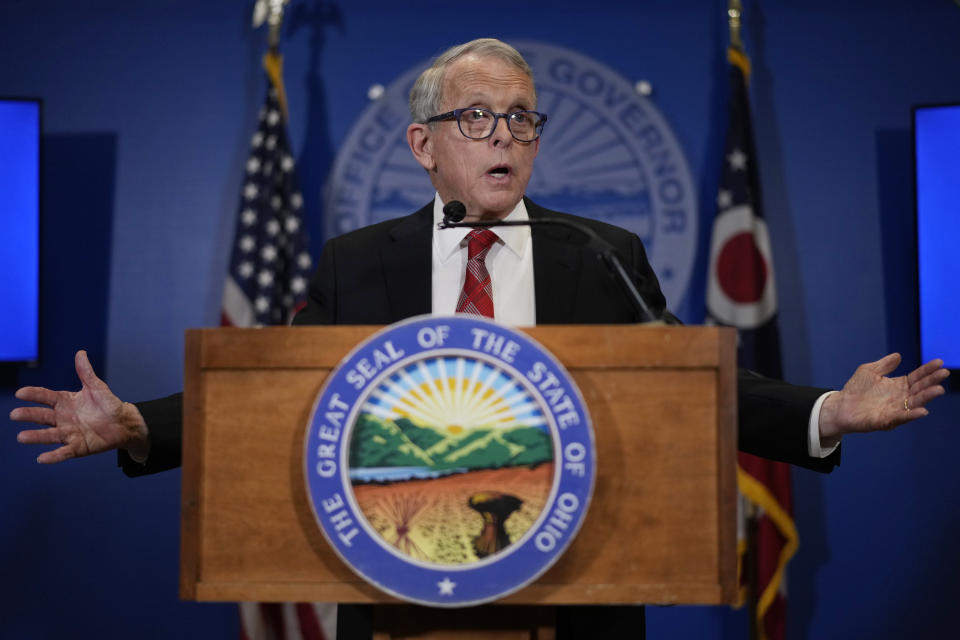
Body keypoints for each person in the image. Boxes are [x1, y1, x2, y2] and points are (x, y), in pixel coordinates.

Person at [9, 37, 949, 638]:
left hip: (581, 591)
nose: (505, 134)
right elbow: (275, 401)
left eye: (521, 118)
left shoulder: (600, 252)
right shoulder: (359, 263)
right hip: (396, 595)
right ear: (425, 145)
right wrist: (138, 424)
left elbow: (697, 386)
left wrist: (830, 410)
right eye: (477, 117)